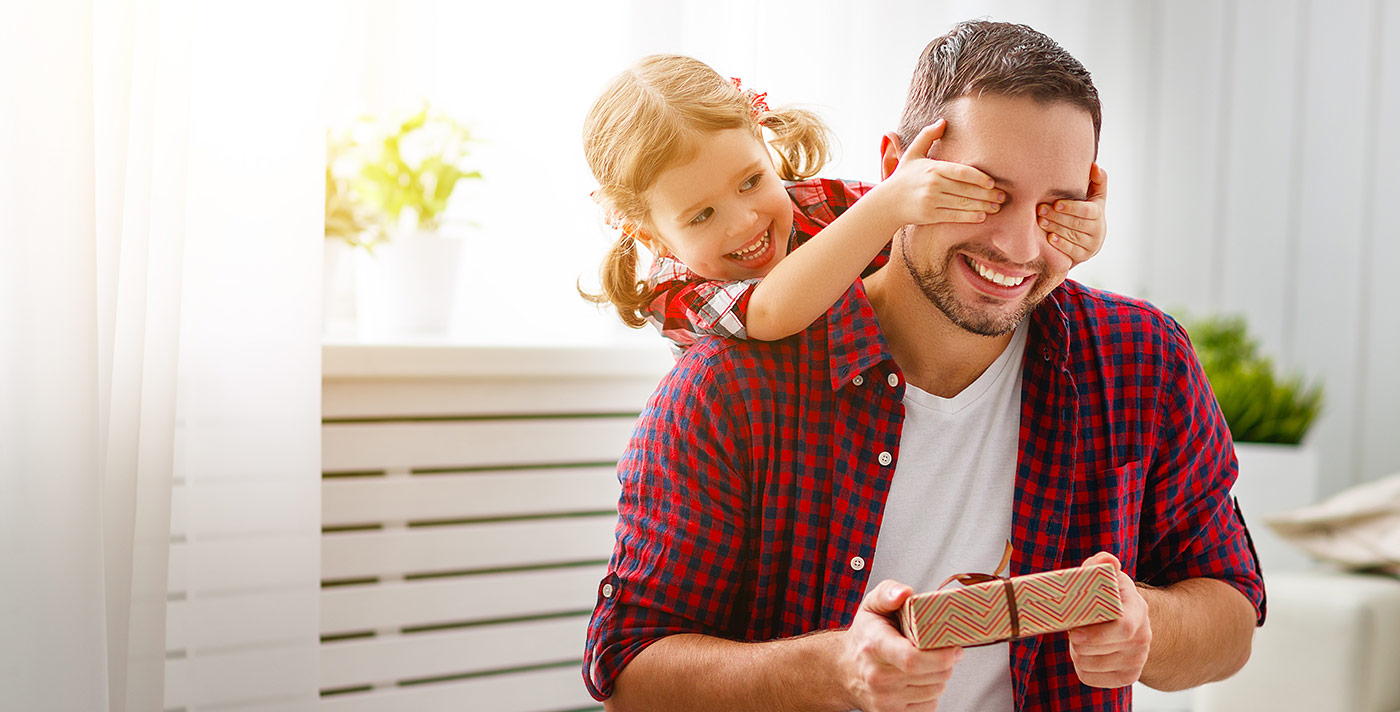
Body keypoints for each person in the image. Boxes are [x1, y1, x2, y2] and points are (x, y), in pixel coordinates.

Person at [583, 20, 1264, 712]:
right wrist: (834, 670)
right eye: (983, 192)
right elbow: (631, 673)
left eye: (1055, 204)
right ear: (897, 170)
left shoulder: (1140, 361)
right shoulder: (724, 390)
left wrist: (1150, 626)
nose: (1018, 244)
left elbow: (1232, 616)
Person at [581, 54, 1106, 353]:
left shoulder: (818, 204)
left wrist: (1061, 225)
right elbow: (769, 311)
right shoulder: (676, 292)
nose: (745, 220)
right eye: (700, 216)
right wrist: (886, 206)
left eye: (749, 182)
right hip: (780, 445)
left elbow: (929, 231)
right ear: (650, 235)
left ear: (765, 145)